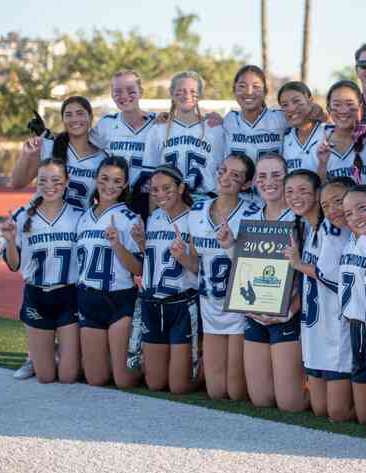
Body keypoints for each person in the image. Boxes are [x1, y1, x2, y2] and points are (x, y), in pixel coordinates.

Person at [0, 158, 83, 384]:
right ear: (37, 183)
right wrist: (9, 241)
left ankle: (65, 351)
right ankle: (46, 353)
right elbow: (14, 265)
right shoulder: (22, 215)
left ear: (66, 182)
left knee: (68, 377)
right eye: (43, 181)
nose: (50, 186)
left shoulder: (78, 216)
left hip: (68, 295)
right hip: (36, 296)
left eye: (56, 180)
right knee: (45, 377)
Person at [284, 173, 355, 421]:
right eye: (328, 204)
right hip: (315, 326)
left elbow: (328, 274)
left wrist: (298, 263)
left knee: (336, 413)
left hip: (336, 325)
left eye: (338, 202)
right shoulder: (307, 228)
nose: (332, 209)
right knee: (321, 410)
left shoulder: (335, 230)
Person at [190, 154, 260, 400]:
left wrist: (233, 246)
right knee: (216, 391)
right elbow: (196, 264)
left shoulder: (253, 213)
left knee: (235, 391)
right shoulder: (197, 210)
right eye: (224, 170)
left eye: (236, 175)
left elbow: (256, 266)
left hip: (239, 305)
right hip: (209, 303)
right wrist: (181, 257)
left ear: (246, 184)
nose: (226, 177)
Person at [241, 154, 307, 412]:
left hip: (289, 313)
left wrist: (292, 308)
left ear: (287, 177)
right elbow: (244, 270)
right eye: (262, 176)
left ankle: (317, 388)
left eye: (276, 176)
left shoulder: (299, 218)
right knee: (260, 400)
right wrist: (246, 304)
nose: (269, 182)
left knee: (289, 404)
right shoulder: (251, 217)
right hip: (256, 313)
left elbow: (309, 272)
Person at [76, 156, 142, 388]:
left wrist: (117, 245)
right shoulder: (83, 217)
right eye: (104, 178)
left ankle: (142, 358)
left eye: (117, 181)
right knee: (96, 379)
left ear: (124, 185)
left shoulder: (131, 219)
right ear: (96, 179)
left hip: (120, 299)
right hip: (89, 298)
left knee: (124, 381)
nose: (109, 185)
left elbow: (139, 269)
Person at [134, 166, 200, 394]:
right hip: (152, 303)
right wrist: (142, 242)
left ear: (181, 188)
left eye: (166, 188)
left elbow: (202, 269)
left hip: (181, 304)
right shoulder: (153, 218)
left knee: (179, 387)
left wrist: (185, 258)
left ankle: (207, 367)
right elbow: (151, 260)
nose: (160, 194)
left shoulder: (195, 219)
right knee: (154, 384)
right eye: (155, 190)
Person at [10, 96, 107, 210]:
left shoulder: (101, 158)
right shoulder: (50, 146)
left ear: (90, 117)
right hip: (43, 222)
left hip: (79, 225)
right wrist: (26, 155)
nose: (74, 119)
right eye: (68, 115)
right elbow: (17, 183)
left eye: (80, 113)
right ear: (63, 120)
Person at [142, 71, 226, 198]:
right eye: (181, 90)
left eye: (193, 91)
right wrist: (153, 215)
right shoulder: (158, 129)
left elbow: (223, 172)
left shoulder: (215, 128)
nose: (187, 95)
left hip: (206, 203)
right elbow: (150, 177)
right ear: (171, 92)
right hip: (170, 202)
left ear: (201, 94)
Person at [340, 184, 366, 426]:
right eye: (349, 213)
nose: (355, 217)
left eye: (362, 208)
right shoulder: (351, 240)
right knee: (359, 368)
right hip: (355, 320)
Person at [92, 70, 157, 219]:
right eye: (118, 91)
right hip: (115, 197)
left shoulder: (158, 122)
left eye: (130, 90)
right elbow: (81, 143)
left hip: (149, 200)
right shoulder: (106, 124)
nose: (124, 96)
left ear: (140, 91)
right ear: (112, 94)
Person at [315, 81, 366, 192]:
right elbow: (319, 189)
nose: (344, 110)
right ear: (328, 109)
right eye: (337, 105)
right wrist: (322, 163)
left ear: (360, 107)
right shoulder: (318, 140)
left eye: (350, 104)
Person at [222, 65, 287, 164]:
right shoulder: (229, 120)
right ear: (234, 90)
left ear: (265, 91)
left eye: (256, 86)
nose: (249, 92)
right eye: (242, 86)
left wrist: (315, 111)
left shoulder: (280, 118)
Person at [279, 81, 326, 173]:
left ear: (310, 100)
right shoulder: (284, 138)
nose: (291, 108)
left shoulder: (327, 132)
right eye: (285, 105)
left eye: (296, 101)